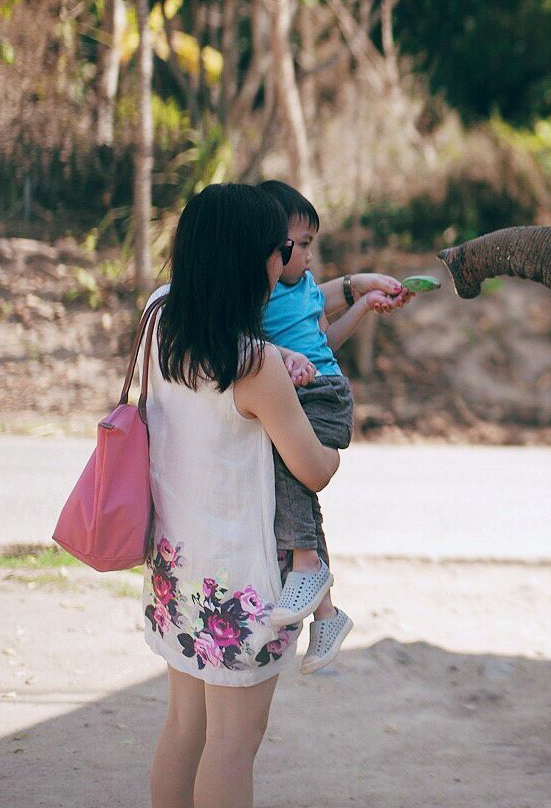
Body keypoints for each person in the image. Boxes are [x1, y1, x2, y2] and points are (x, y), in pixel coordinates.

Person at [143, 183, 340, 808]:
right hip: (244, 581)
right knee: (234, 743)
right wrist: (336, 445)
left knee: (184, 727)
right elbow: (313, 469)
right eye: (278, 249)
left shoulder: (160, 316)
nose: (283, 262)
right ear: (250, 259)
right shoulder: (254, 363)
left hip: (177, 567)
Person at [254, 179, 412, 673]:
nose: (304, 257)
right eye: (298, 246)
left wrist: (360, 287)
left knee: (286, 468)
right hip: (318, 388)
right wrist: (363, 302)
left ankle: (305, 566)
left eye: (307, 246)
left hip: (323, 393)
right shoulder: (260, 297)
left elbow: (322, 346)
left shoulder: (299, 289)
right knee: (300, 485)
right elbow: (328, 338)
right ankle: (326, 613)